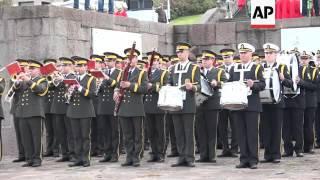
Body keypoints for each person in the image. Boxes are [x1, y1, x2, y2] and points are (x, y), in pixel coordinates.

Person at [229, 43, 265, 169]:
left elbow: (262, 85)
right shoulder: (234, 68)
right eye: (241, 53)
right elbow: (229, 84)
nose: (242, 55)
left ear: (250, 54)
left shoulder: (256, 68)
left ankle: (253, 159)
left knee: (252, 133)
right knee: (241, 133)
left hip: (252, 105)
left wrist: (252, 85)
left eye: (245, 53)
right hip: (237, 105)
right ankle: (243, 159)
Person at [113, 48, 148, 167]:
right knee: (127, 135)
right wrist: (116, 92)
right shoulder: (123, 72)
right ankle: (129, 156)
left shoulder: (142, 72)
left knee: (137, 134)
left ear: (136, 59)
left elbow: (144, 89)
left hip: (136, 107)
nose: (130, 60)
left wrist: (130, 85)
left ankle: (136, 157)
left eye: (132, 58)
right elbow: (118, 86)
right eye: (128, 58)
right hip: (123, 107)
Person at [168, 42, 201, 167]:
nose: (179, 54)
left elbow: (199, 86)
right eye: (177, 52)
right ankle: (181, 157)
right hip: (175, 103)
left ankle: (189, 157)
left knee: (188, 132)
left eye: (181, 51)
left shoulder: (194, 68)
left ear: (187, 52)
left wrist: (192, 86)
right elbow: (169, 82)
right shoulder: (173, 68)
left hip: (188, 103)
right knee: (179, 132)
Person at [260, 43, 293, 163]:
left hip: (278, 102)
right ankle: (267, 155)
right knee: (266, 129)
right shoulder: (260, 67)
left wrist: (283, 78)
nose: (268, 55)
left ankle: (276, 155)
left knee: (276, 129)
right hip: (263, 102)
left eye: (270, 53)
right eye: (266, 53)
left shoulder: (282, 67)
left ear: (276, 54)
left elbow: (291, 84)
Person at [15, 60, 49, 167]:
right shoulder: (25, 81)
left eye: (33, 68)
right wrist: (17, 82)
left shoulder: (42, 80)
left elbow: (41, 91)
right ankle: (29, 158)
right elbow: (16, 91)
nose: (30, 70)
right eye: (29, 68)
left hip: (35, 112)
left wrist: (28, 80)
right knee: (26, 137)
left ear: (39, 70)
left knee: (36, 137)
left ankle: (37, 159)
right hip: (23, 112)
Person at [283, 50, 315, 158]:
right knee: (286, 127)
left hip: (300, 101)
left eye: (305, 58)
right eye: (301, 58)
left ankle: (299, 149)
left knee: (298, 127)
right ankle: (287, 150)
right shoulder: (287, 69)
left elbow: (313, 86)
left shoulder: (310, 70)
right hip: (287, 100)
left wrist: (300, 82)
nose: (303, 60)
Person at [196, 50, 227, 163]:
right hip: (200, 103)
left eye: (207, 59)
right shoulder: (198, 72)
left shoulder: (219, 71)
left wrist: (217, 83)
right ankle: (203, 155)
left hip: (212, 104)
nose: (204, 61)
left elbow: (225, 83)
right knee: (201, 131)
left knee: (212, 130)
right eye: (203, 59)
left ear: (213, 60)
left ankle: (212, 155)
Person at [67, 57, 96, 167]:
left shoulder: (90, 79)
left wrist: (80, 88)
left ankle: (86, 159)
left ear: (86, 67)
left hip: (85, 111)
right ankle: (78, 158)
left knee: (85, 136)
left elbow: (92, 95)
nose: (78, 68)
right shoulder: (72, 79)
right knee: (76, 136)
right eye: (77, 66)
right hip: (73, 111)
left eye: (80, 66)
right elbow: (67, 96)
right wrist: (69, 92)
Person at [144, 51, 169, 162]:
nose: (152, 62)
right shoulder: (144, 73)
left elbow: (166, 86)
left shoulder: (163, 73)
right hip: (147, 105)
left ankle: (160, 153)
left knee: (160, 131)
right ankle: (153, 152)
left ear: (158, 61)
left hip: (158, 104)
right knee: (150, 131)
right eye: (150, 60)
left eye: (154, 60)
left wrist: (153, 86)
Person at [98, 52, 122, 163]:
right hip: (103, 105)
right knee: (105, 130)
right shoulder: (103, 72)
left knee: (114, 131)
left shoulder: (119, 72)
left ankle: (114, 154)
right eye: (106, 61)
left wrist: (106, 78)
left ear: (114, 61)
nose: (107, 63)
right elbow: (100, 89)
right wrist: (98, 85)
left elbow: (116, 85)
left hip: (113, 104)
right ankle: (107, 153)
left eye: (109, 61)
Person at [52, 57, 77, 163]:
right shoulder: (59, 76)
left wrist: (62, 79)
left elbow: (71, 88)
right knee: (60, 132)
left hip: (67, 107)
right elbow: (51, 87)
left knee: (70, 132)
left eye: (65, 65)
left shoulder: (73, 76)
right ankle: (65, 153)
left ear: (71, 66)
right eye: (61, 65)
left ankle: (72, 154)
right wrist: (55, 78)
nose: (62, 67)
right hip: (58, 107)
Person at [217, 48, 239, 158]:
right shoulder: (219, 69)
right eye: (225, 57)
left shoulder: (237, 68)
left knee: (235, 125)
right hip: (222, 100)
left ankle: (235, 148)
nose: (227, 59)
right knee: (222, 125)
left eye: (228, 56)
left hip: (234, 99)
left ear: (232, 57)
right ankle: (225, 148)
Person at [11, 59, 29, 163]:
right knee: (19, 132)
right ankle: (21, 154)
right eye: (20, 67)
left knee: (26, 133)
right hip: (16, 107)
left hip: (26, 108)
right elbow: (11, 91)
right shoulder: (14, 78)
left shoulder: (29, 78)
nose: (21, 69)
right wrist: (16, 81)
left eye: (24, 67)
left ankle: (29, 154)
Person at [43, 59, 59, 158]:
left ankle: (56, 149)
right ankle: (49, 149)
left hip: (55, 105)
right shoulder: (43, 77)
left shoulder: (57, 76)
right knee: (49, 130)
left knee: (56, 129)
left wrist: (55, 76)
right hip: (46, 106)